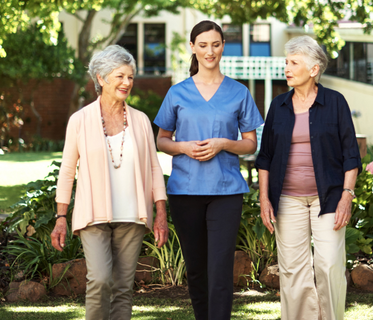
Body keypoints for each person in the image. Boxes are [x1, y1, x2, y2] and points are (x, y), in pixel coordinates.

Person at [154, 20, 263, 320]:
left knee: (219, 268)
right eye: (203, 45)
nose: (209, 51)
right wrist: (183, 148)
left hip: (225, 193)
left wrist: (224, 144)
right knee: (197, 270)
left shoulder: (239, 92)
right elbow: (161, 140)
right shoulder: (177, 93)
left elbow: (250, 143)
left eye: (215, 44)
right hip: (185, 191)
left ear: (222, 47)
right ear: (192, 47)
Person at [51, 44, 169, 320]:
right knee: (100, 280)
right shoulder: (79, 120)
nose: (127, 82)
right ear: (101, 78)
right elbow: (67, 170)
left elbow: (154, 167)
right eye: (120, 76)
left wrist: (160, 212)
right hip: (93, 215)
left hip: (133, 215)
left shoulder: (140, 120)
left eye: (130, 77)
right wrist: (61, 216)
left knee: (123, 288)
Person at [256, 35, 361, 320]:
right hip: (287, 198)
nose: (287, 68)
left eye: (294, 63)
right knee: (292, 270)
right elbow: (264, 157)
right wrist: (264, 199)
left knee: (328, 265)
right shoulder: (278, 106)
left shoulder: (335, 103)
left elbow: (351, 155)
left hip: (328, 199)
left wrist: (346, 196)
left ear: (314, 69)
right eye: (286, 62)